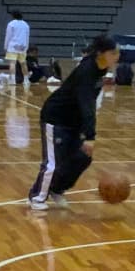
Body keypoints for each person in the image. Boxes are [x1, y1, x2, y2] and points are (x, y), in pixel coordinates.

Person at [30, 35, 119, 209]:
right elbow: (86, 104)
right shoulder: (87, 71)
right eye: (113, 52)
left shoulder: (101, 69)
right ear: (101, 53)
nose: (117, 56)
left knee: (82, 157)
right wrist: (90, 135)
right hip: (56, 118)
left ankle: (57, 189)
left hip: (73, 121)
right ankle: (37, 197)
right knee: (53, 163)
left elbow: (90, 104)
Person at [1, 8, 31, 89]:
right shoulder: (26, 24)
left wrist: (5, 46)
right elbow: (27, 36)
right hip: (22, 46)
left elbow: (8, 36)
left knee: (12, 63)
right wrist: (26, 46)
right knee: (23, 63)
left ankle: (13, 80)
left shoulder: (11, 24)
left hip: (13, 46)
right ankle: (26, 80)